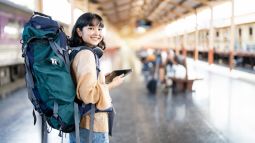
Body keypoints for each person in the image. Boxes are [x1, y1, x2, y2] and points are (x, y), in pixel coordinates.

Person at [68, 12, 124, 143]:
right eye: (91, 28)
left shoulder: (76, 51)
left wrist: (101, 78)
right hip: (91, 124)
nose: (97, 33)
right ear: (79, 31)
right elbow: (88, 95)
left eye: (99, 29)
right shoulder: (87, 55)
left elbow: (79, 82)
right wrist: (112, 84)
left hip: (80, 121)